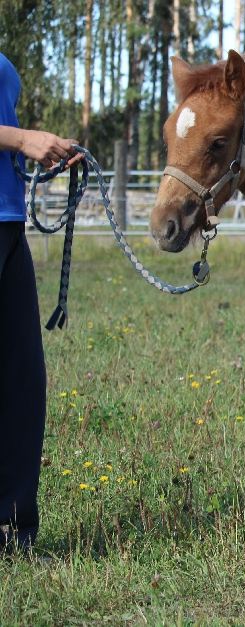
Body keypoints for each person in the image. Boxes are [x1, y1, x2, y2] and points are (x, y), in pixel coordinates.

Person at [0, 51, 82, 553]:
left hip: (8, 224)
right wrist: (22, 139)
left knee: (22, 381)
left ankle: (13, 528)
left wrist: (46, 150)